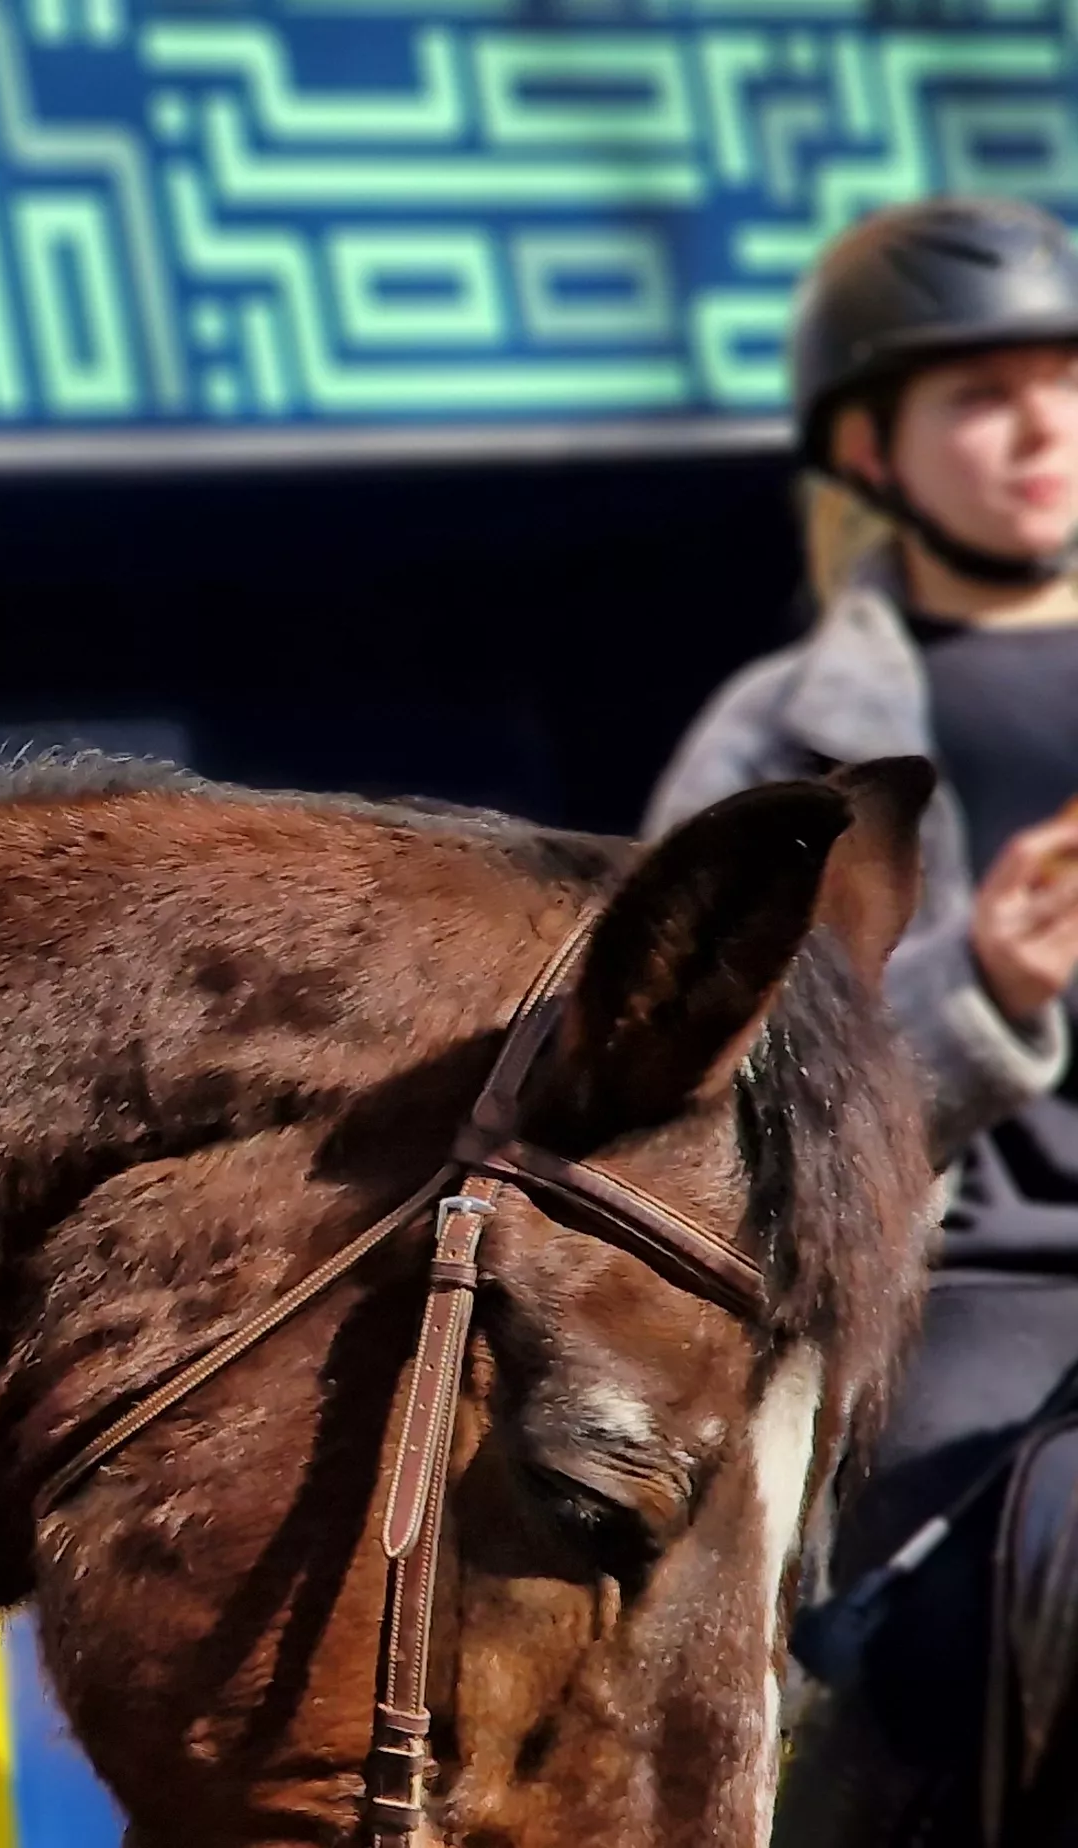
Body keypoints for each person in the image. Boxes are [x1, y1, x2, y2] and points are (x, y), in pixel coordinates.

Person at [650, 195, 1078, 1840]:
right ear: (874, 449)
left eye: (1060, 380)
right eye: (980, 394)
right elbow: (713, 1106)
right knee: (918, 1657)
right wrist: (991, 999)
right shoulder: (784, 739)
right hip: (977, 1291)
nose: (1039, 428)